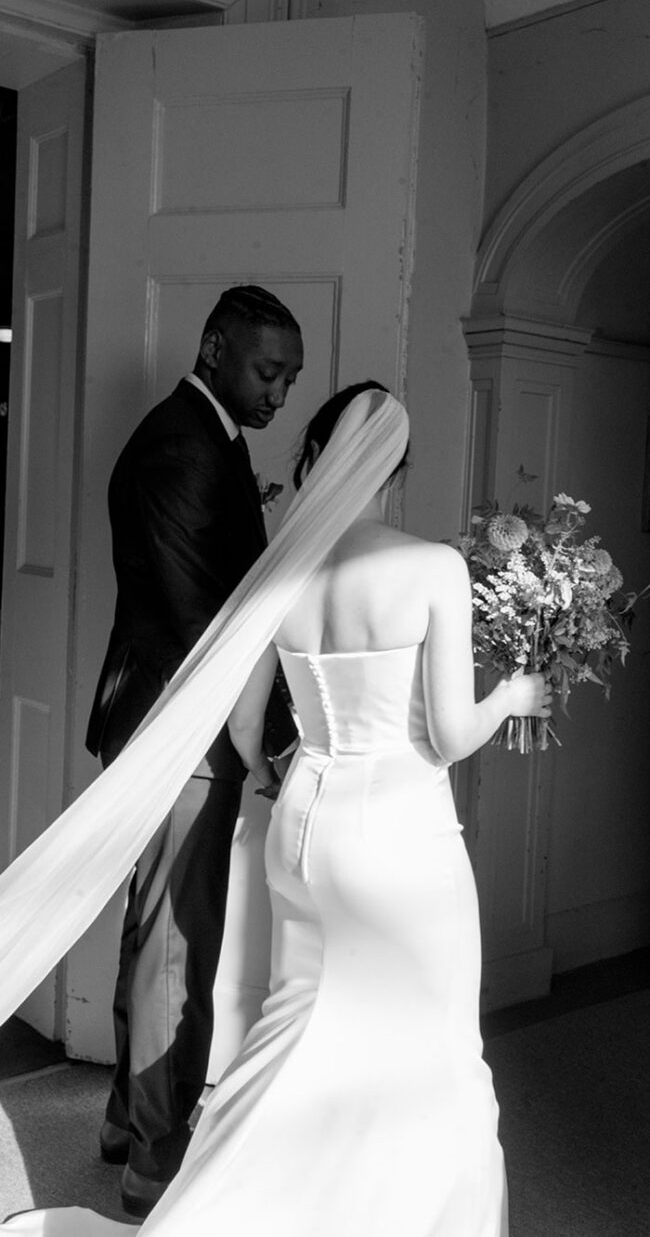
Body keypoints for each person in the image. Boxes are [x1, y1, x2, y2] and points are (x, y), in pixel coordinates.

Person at [0, 383, 551, 1237]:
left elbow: (246, 719)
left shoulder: (280, 575)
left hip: (304, 826)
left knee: (292, 1032)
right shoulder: (433, 566)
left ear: (316, 460)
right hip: (399, 836)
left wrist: (282, 771)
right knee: (425, 1041)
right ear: (394, 473)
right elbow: (445, 736)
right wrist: (513, 694)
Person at [85, 285, 303, 1215]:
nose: (280, 392)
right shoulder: (183, 445)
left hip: (160, 722)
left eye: (290, 378)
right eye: (267, 370)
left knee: (153, 930)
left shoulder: (203, 435)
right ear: (216, 347)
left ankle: (123, 1122)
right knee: (177, 940)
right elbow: (200, 620)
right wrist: (273, 735)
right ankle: (154, 1156)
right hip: (181, 729)